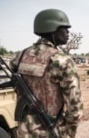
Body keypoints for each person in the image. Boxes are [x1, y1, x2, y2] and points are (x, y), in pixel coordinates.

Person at [11, 9, 83, 138]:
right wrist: (69, 133)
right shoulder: (61, 60)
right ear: (52, 28)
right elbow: (75, 107)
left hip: (24, 131)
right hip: (51, 131)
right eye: (65, 28)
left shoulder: (19, 57)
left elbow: (16, 88)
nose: (68, 32)